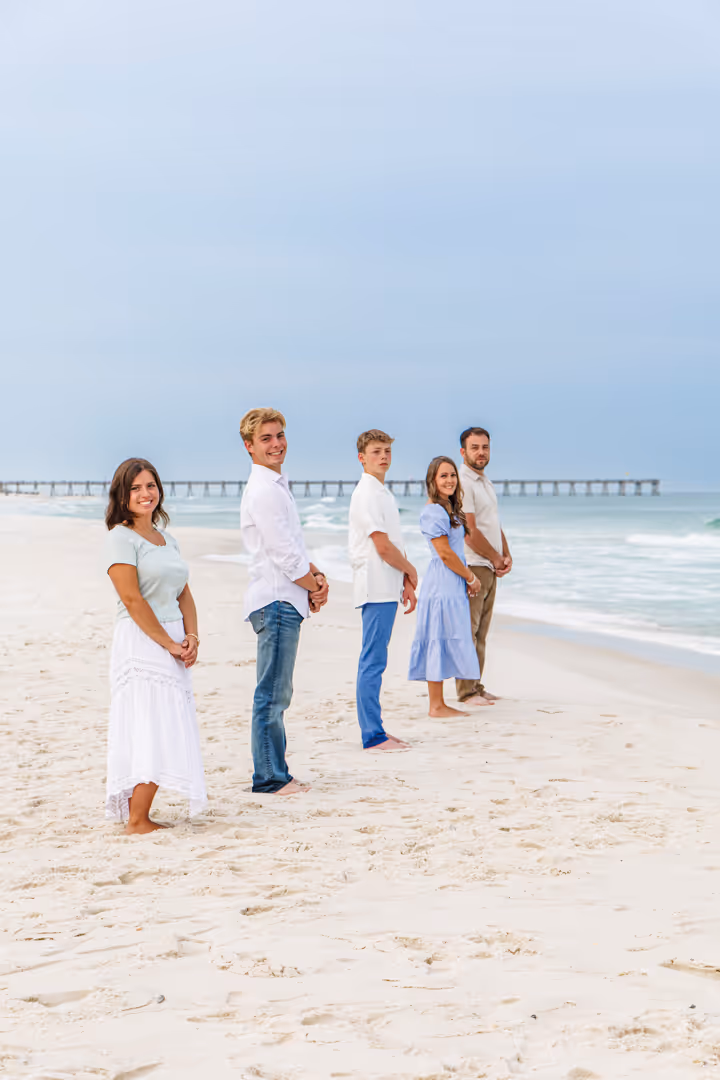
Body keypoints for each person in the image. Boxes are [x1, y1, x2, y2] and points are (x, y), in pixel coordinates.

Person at [105, 458, 207, 834]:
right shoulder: (120, 537)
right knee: (149, 724)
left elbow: (184, 594)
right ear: (122, 495)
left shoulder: (167, 538)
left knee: (165, 722)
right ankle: (136, 819)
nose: (145, 494)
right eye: (135, 488)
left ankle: (140, 815)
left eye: (150, 485)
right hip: (141, 639)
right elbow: (132, 600)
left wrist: (191, 638)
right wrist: (169, 644)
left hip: (172, 639)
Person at [240, 407, 329, 794]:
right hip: (276, 600)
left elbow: (293, 547)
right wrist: (312, 585)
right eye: (266, 439)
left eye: (279, 436)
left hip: (285, 598)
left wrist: (315, 578)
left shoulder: (276, 486)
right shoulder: (263, 490)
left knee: (279, 692)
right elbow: (284, 556)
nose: (276, 444)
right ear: (249, 447)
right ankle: (270, 778)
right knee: (272, 693)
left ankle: (278, 772)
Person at [348, 429, 417, 751]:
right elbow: (382, 545)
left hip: (387, 586)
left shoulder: (383, 493)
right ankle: (372, 735)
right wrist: (411, 569)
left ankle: (377, 731)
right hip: (374, 586)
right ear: (362, 457)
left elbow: (393, 544)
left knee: (377, 659)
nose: (384, 456)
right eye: (376, 451)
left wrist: (404, 581)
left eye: (387, 451)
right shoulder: (366, 493)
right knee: (372, 660)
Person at [408, 456, 483, 717]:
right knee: (437, 637)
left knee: (445, 636)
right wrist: (471, 577)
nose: (450, 480)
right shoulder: (433, 512)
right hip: (441, 584)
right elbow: (445, 554)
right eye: (443, 476)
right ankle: (436, 705)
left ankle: (439, 703)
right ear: (432, 481)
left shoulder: (448, 509)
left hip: (450, 582)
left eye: (452, 475)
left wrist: (464, 578)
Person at [456, 427, 512, 706]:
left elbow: (493, 523)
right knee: (468, 630)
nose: (481, 452)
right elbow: (469, 531)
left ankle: (476, 686)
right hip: (474, 564)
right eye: (475, 447)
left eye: (485, 447)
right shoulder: (463, 483)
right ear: (463, 452)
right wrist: (494, 557)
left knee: (481, 633)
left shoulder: (484, 481)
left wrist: (506, 553)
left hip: (488, 564)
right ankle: (465, 692)